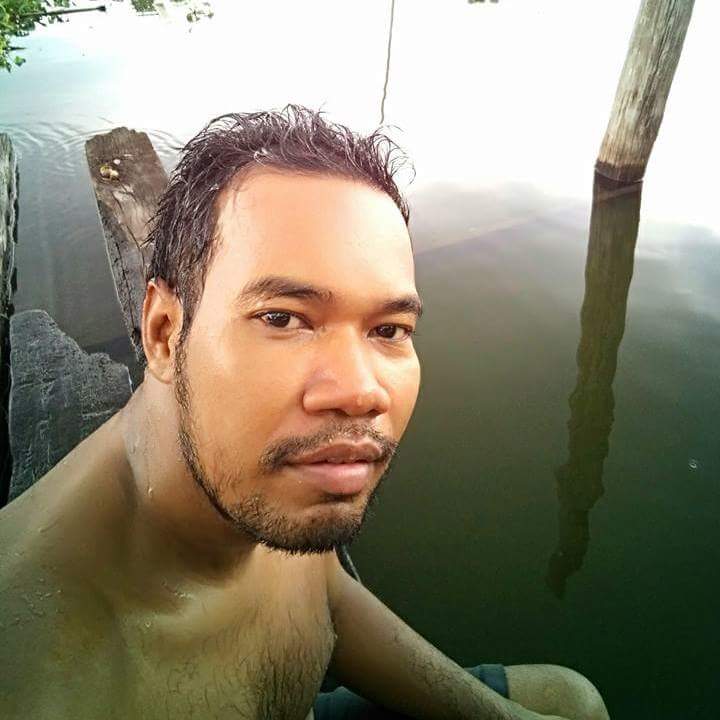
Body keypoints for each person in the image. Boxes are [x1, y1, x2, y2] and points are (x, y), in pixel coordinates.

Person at [0, 105, 609, 720]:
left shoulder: (257, 468)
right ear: (163, 332)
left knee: (571, 700)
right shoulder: (50, 685)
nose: (362, 391)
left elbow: (324, 595)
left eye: (389, 329)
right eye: (283, 318)